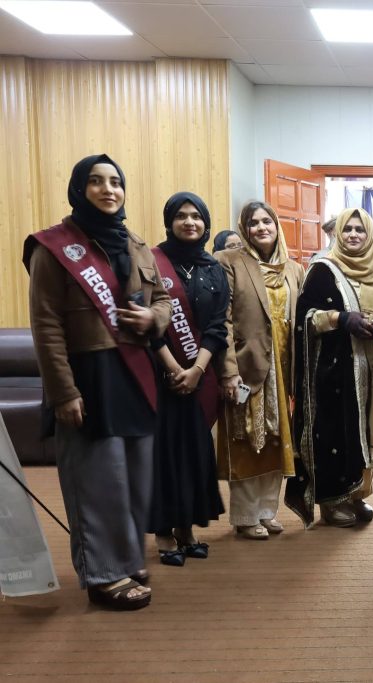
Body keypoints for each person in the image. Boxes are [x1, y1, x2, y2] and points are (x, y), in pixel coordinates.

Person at [24, 153, 171, 609]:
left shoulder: (136, 243)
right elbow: (46, 326)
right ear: (78, 189)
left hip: (135, 376)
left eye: (115, 182)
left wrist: (153, 318)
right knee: (96, 482)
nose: (109, 190)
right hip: (87, 379)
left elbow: (163, 299)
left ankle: (126, 559)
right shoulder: (52, 247)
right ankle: (103, 575)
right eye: (96, 181)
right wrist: (64, 391)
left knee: (133, 481)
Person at [287, 208, 373, 528]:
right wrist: (339, 318)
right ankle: (331, 501)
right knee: (334, 431)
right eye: (348, 229)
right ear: (338, 233)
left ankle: (355, 493)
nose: (354, 235)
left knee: (361, 429)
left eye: (360, 229)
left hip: (366, 366)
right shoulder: (323, 269)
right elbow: (304, 317)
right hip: (332, 368)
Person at [216, 201, 305, 540]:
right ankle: (244, 516)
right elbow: (222, 320)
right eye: (253, 223)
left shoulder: (293, 269)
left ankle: (267, 511)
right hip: (247, 368)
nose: (261, 228)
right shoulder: (229, 262)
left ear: (276, 225)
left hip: (283, 368)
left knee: (277, 441)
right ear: (244, 229)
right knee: (246, 440)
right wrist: (228, 370)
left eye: (267, 221)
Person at [148, 192, 228, 566]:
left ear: (205, 223)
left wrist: (197, 370)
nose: (189, 222)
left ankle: (186, 529)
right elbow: (148, 324)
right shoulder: (151, 262)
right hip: (161, 376)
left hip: (199, 375)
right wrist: (172, 367)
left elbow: (217, 326)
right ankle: (164, 532)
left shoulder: (213, 268)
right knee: (165, 455)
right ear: (170, 222)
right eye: (181, 215)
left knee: (194, 453)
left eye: (196, 216)